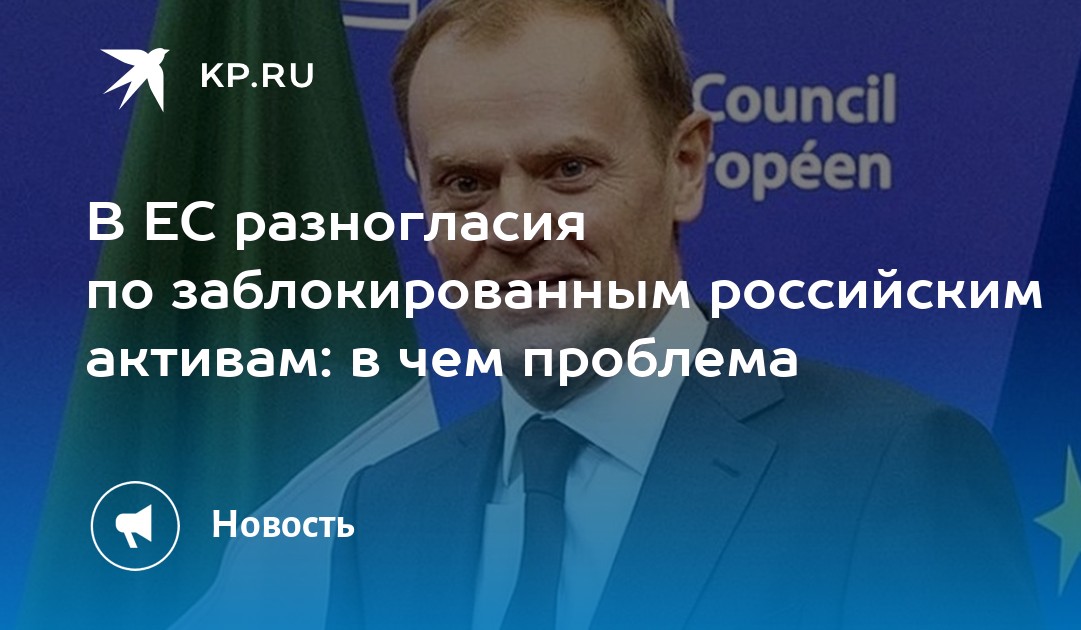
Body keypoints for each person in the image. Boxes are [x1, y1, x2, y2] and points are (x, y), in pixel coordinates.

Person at [328, 1, 1040, 628]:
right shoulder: (385, 510)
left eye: (568, 170)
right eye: (465, 183)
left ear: (686, 167)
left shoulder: (889, 470)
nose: (514, 226)